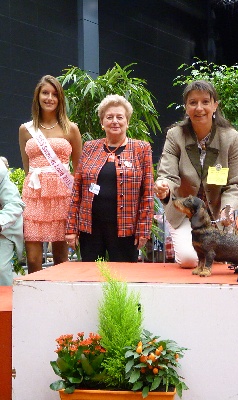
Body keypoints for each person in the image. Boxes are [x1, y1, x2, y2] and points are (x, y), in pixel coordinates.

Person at [154, 80, 238, 268]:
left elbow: (235, 184)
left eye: (205, 102)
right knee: (190, 259)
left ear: (215, 105)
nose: (199, 108)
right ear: (186, 107)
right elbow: (168, 175)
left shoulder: (232, 138)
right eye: (193, 102)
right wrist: (163, 187)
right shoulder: (175, 135)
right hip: (185, 213)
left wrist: (227, 209)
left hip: (218, 214)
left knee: (223, 256)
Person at [65, 94, 154, 262]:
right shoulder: (90, 147)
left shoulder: (141, 149)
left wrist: (144, 229)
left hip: (126, 228)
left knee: (123, 278)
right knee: (90, 275)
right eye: (109, 117)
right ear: (102, 122)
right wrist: (71, 228)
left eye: (120, 117)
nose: (115, 121)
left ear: (127, 121)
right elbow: (77, 189)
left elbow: (148, 193)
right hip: (90, 227)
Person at [19, 75, 82, 273]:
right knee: (33, 258)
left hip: (62, 195)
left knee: (61, 257)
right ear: (38, 96)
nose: (49, 98)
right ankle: (35, 298)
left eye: (55, 94)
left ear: (60, 99)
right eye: (45, 93)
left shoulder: (71, 129)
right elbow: (26, 166)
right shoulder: (25, 130)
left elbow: (78, 169)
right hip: (34, 194)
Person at [0, 158, 25, 285]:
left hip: (2, 231)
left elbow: (14, 203)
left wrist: (1, 222)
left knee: (0, 269)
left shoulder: (0, 172)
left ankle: (4, 304)